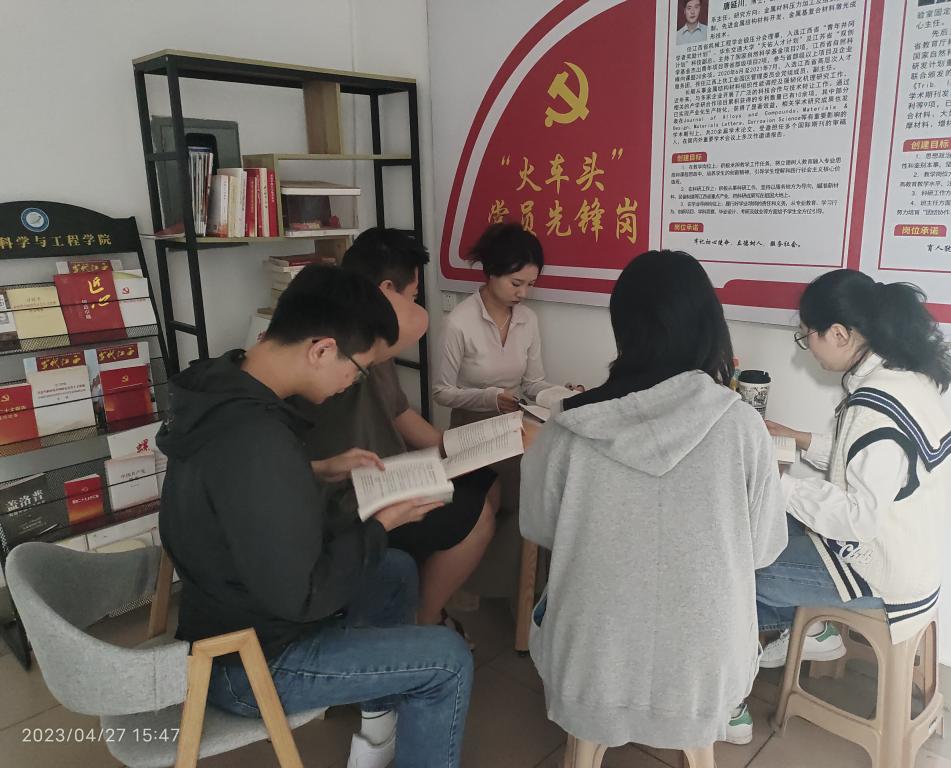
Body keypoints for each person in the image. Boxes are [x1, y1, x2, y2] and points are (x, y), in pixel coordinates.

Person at [157, 266, 473, 768]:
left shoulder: (220, 389)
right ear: (322, 349)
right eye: (359, 369)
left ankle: (377, 731)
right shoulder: (259, 441)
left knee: (394, 570)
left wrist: (315, 471)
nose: (352, 383)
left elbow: (234, 486)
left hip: (224, 616)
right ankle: (398, 705)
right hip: (250, 664)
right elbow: (306, 596)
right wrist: (382, 523)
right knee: (448, 661)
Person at [519, 250, 788, 752]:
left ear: (623, 326)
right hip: (707, 679)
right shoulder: (743, 427)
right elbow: (765, 549)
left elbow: (537, 527)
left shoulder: (568, 426)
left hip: (589, 675)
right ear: (709, 326)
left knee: (559, 601)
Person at [750, 269, 951, 717]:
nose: (808, 348)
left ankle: (803, 632)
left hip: (882, 574)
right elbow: (870, 465)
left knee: (742, 568)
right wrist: (798, 438)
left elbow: (857, 518)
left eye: (808, 336)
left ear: (839, 334)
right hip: (912, 556)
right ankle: (811, 630)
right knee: (769, 526)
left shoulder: (873, 403)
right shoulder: (907, 378)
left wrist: (776, 483)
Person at [297, 228, 500, 641]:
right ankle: (424, 620)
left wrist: (456, 447)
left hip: (388, 469)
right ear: (387, 292)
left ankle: (422, 599)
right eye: (413, 294)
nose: (417, 306)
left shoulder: (368, 341)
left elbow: (400, 412)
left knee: (487, 482)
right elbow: (416, 323)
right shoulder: (352, 343)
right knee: (477, 514)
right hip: (356, 493)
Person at [433, 222, 581, 422]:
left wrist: (565, 395)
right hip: (469, 425)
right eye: (515, 283)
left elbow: (532, 384)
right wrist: (489, 398)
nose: (523, 293)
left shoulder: (528, 319)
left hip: (513, 424)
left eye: (530, 284)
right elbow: (441, 392)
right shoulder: (458, 322)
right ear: (492, 271)